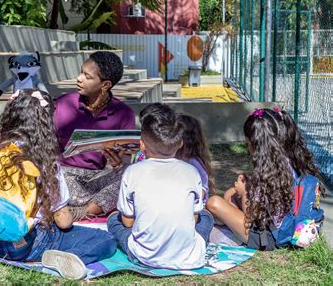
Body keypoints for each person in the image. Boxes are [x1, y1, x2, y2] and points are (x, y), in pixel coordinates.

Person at [0, 89, 116, 280]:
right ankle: (69, 257)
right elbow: (63, 222)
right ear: (45, 123)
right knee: (106, 239)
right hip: (31, 242)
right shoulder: (44, 161)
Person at [108, 104, 212, 270]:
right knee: (206, 216)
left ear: (142, 145)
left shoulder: (132, 172)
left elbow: (128, 223)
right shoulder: (192, 172)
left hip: (144, 256)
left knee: (114, 219)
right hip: (189, 257)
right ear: (180, 143)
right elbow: (195, 219)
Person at [53, 51, 136, 221]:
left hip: (98, 177)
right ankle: (94, 207)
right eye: (81, 72)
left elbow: (125, 161)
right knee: (53, 176)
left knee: (130, 174)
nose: (79, 78)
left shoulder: (124, 113)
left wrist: (118, 164)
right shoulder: (62, 104)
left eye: (87, 76)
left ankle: (79, 210)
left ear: (105, 84)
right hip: (65, 174)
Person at [206, 108, 296, 248]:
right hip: (269, 227)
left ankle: (225, 225)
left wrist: (244, 192)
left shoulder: (274, 171)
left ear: (257, 144)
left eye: (248, 143)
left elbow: (252, 217)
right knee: (230, 193)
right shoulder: (284, 163)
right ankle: (225, 222)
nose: (248, 148)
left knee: (214, 203)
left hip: (268, 237)